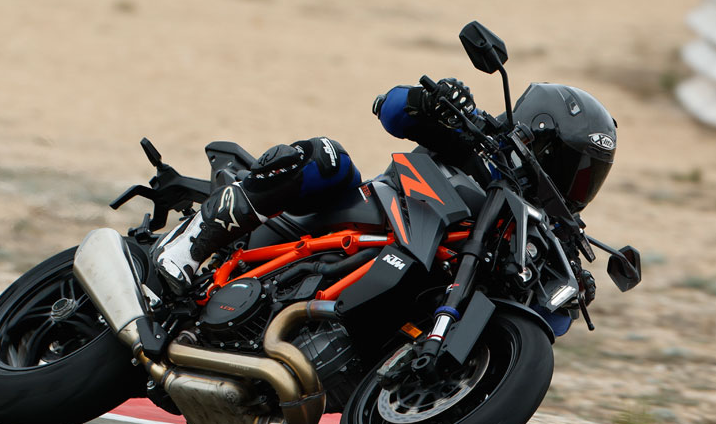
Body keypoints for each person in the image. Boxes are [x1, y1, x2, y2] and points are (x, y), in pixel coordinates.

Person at [151, 77, 479, 294]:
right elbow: (392, 109)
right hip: (376, 215)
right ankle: (189, 245)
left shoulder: (526, 251)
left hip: (436, 276)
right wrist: (435, 101)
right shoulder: (492, 144)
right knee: (328, 158)